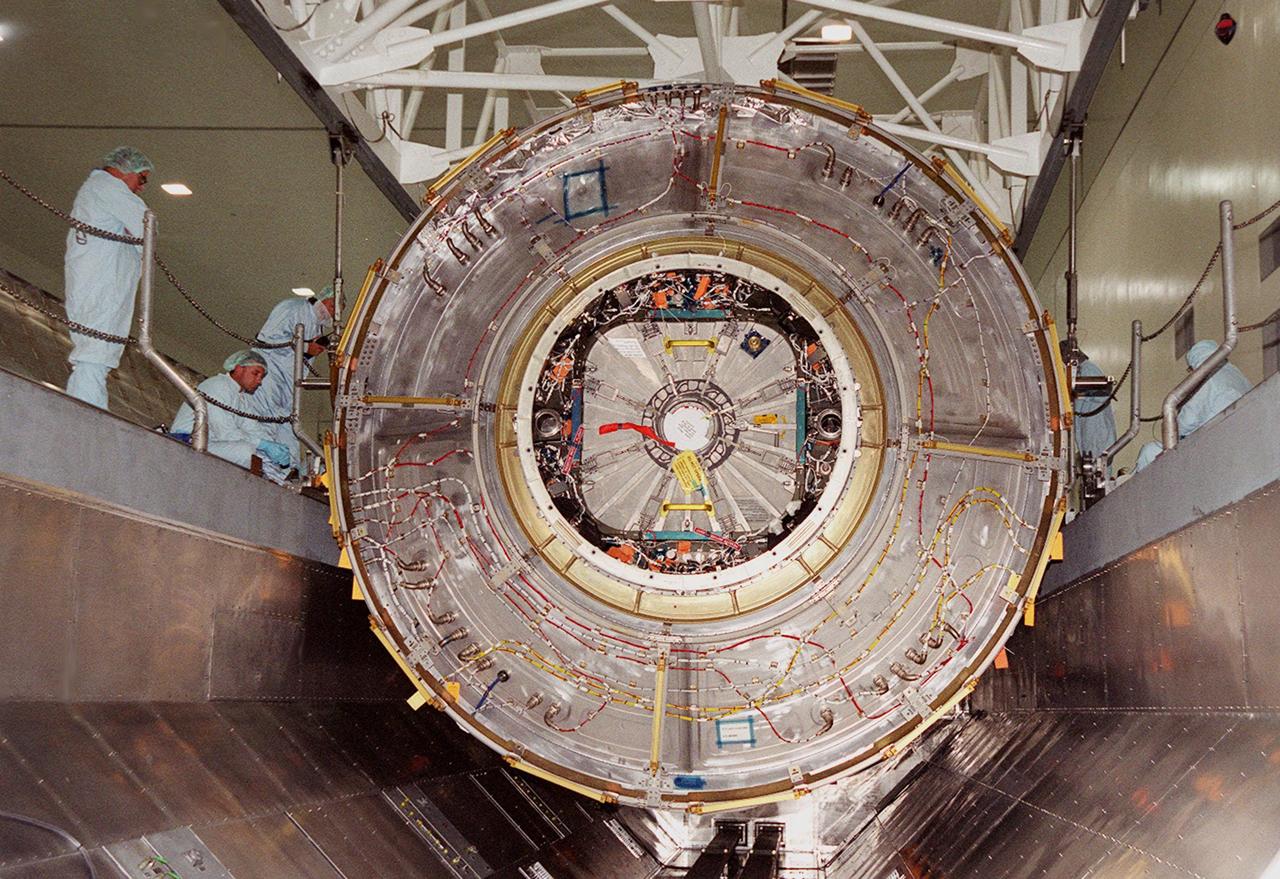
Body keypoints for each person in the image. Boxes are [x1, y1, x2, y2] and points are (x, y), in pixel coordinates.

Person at [63, 147, 154, 409]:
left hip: (98, 284)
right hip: (102, 287)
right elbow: (147, 228)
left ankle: (86, 412)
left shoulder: (98, 191)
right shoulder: (109, 188)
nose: (142, 187)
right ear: (124, 170)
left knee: (95, 355)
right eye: (142, 179)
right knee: (94, 355)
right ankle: (84, 417)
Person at [251, 285, 336, 475]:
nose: (332, 313)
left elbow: (300, 358)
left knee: (288, 424)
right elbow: (268, 339)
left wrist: (310, 350)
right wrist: (306, 347)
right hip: (270, 373)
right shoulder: (292, 308)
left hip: (289, 384)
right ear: (324, 299)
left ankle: (290, 471)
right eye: (332, 306)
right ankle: (267, 468)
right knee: (267, 420)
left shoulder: (317, 326)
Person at [170, 349, 291, 472]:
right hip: (186, 443)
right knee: (246, 452)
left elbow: (252, 428)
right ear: (238, 369)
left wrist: (274, 446)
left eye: (261, 377)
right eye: (255, 374)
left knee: (262, 458)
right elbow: (225, 432)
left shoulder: (241, 398)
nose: (259, 381)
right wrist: (262, 444)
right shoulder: (217, 385)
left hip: (210, 444)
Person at [1177, 339, 1252, 438]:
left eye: (1191, 369)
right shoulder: (1237, 375)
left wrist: (1174, 423)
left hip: (1220, 436)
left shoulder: (1205, 378)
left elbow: (1188, 421)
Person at [1073, 356, 1117, 470]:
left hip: (1098, 452)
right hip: (1092, 452)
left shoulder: (1088, 371)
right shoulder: (1083, 371)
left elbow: (1095, 433)